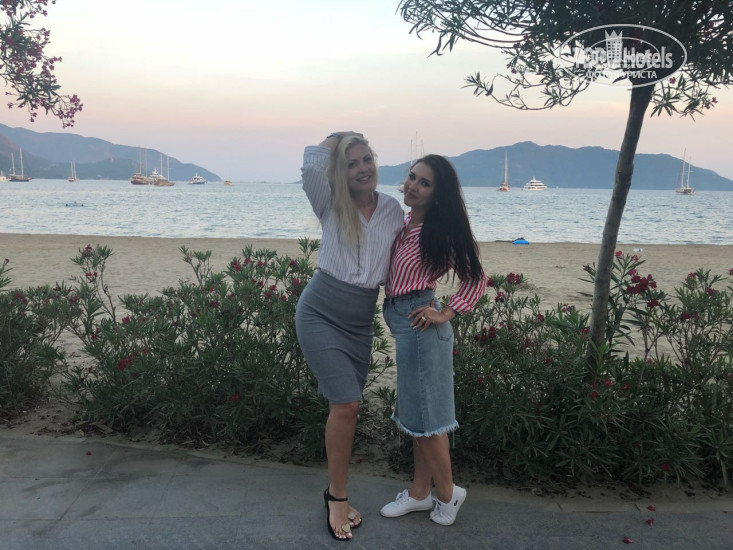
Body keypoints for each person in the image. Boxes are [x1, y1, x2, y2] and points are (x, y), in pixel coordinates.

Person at [295, 132, 403, 541]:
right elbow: (311, 165)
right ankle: (336, 497)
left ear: (376, 162)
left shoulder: (392, 210)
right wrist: (339, 137)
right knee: (347, 404)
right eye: (351, 163)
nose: (362, 169)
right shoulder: (329, 203)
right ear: (341, 171)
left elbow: (406, 258)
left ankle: (335, 491)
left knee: (348, 408)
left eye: (366, 159)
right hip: (320, 312)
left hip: (359, 322)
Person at [380, 154, 487, 526]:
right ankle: (419, 494)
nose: (413, 185)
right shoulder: (405, 224)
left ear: (438, 194)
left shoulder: (438, 232)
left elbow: (476, 279)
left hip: (421, 324)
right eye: (412, 177)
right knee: (417, 416)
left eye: (424, 183)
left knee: (427, 419)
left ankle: (447, 493)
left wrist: (447, 312)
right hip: (406, 324)